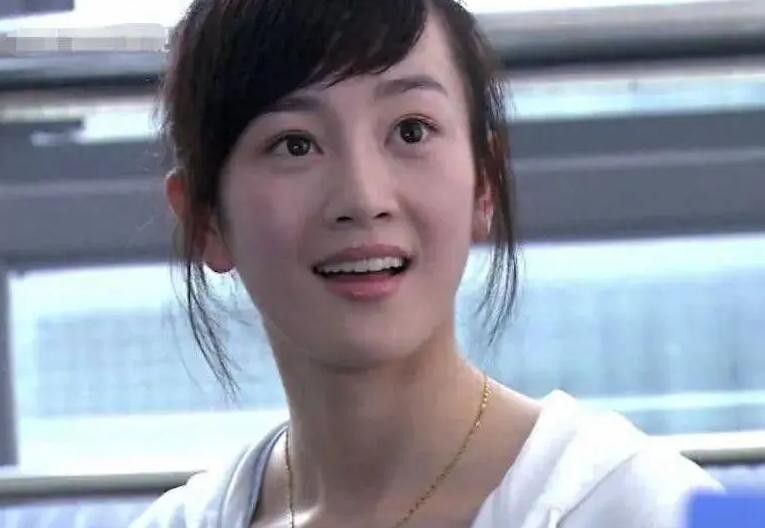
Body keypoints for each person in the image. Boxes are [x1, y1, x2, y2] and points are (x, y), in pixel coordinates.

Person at [132, 1, 721, 526]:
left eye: (411, 131)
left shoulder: (637, 507)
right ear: (205, 219)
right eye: (295, 144)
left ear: (485, 183)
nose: (363, 198)